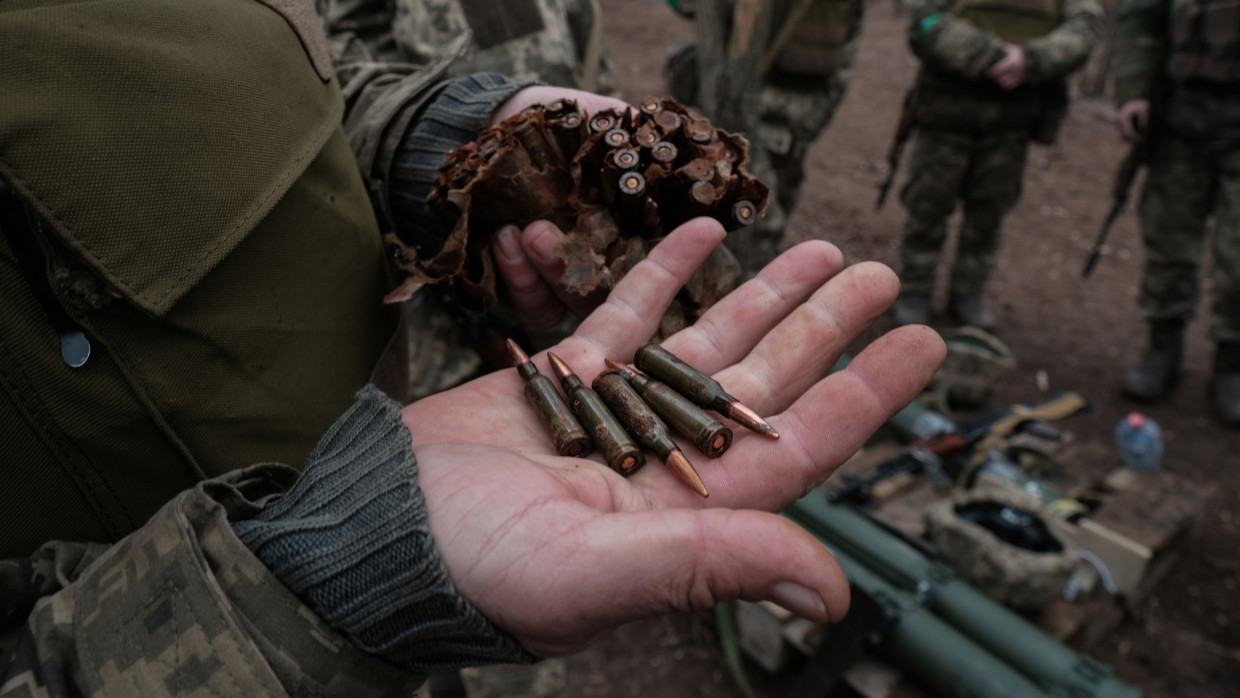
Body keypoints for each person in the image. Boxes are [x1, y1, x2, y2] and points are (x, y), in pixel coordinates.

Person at [0, 0, 945, 694]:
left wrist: (463, 148)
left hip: (413, 508)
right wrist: (312, 585)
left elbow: (289, 92)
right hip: (289, 600)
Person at [891, 0, 1103, 330]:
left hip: (1013, 121)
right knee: (927, 205)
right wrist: (989, 55)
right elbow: (923, 19)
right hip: (947, 113)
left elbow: (1085, 27)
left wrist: (1030, 60)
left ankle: (968, 292)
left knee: (989, 213)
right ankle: (915, 289)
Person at [663, 0, 866, 278]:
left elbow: (847, 45)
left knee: (780, 199)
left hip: (802, 111)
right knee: (755, 219)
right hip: (750, 104)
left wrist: (821, 110)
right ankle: (744, 288)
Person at [1110, 0, 1240, 425]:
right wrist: (1133, 91)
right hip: (1179, 116)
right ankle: (1163, 347)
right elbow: (1140, 18)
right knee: (1167, 240)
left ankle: (1232, 363)